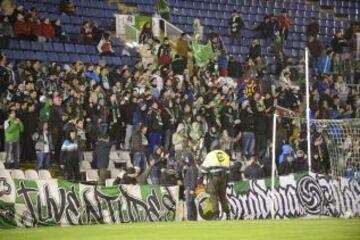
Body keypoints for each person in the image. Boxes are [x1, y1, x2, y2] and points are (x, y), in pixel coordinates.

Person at [199, 149, 230, 220]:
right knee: (223, 197)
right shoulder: (225, 155)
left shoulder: (210, 155)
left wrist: (200, 180)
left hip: (214, 178)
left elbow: (203, 169)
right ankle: (228, 213)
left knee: (213, 196)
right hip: (223, 179)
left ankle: (216, 215)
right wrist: (226, 183)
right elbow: (228, 172)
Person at [183, 153, 198, 221]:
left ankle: (191, 218)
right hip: (188, 188)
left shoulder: (192, 168)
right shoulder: (191, 167)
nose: (186, 161)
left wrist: (192, 189)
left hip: (190, 188)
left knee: (189, 204)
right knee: (191, 203)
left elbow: (193, 179)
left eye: (187, 159)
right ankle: (193, 218)